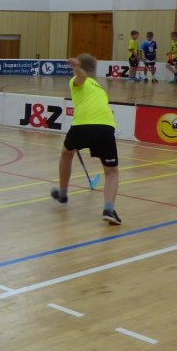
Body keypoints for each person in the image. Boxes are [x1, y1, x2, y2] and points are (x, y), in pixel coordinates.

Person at [50, 54, 121, 225]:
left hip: (81, 126)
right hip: (105, 127)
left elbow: (81, 77)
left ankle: (63, 194)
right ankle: (109, 210)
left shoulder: (77, 80)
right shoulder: (100, 89)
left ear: (81, 68)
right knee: (111, 172)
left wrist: (76, 68)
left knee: (66, 153)